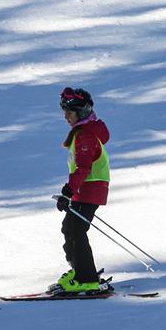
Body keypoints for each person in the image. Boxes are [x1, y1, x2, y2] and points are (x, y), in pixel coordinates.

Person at [51, 87, 111, 295]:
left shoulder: (86, 135)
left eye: (69, 112)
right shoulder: (83, 132)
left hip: (91, 189)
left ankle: (87, 279)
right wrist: (70, 192)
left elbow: (84, 168)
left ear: (81, 112)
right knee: (69, 228)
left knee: (76, 231)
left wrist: (67, 191)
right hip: (85, 190)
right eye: (64, 112)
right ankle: (80, 272)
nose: (65, 117)